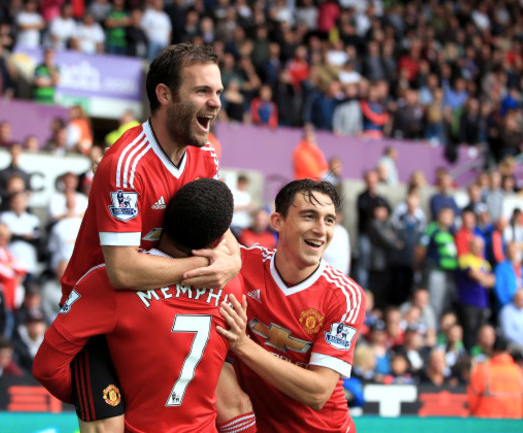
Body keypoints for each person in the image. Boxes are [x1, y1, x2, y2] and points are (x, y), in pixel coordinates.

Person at [60, 43, 241, 432]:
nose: (215, 103)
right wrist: (205, 265)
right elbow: (122, 271)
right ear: (164, 94)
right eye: (202, 91)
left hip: (158, 306)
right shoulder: (125, 166)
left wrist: (235, 259)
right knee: (109, 426)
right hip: (97, 313)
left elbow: (220, 230)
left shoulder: (205, 155)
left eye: (219, 92)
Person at [34, 179, 255, 433]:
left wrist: (102, 398)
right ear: (217, 241)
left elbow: (47, 368)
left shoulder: (108, 284)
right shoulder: (231, 284)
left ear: (162, 220)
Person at [218, 179, 365, 433]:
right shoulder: (243, 264)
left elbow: (318, 392)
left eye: (329, 220)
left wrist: (242, 345)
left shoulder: (345, 296)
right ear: (277, 222)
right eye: (309, 216)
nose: (321, 229)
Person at [468, 336, 523, 418]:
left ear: (492, 350)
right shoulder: (519, 372)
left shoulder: (483, 371)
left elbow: (472, 398)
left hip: (487, 424)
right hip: (513, 423)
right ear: (508, 351)